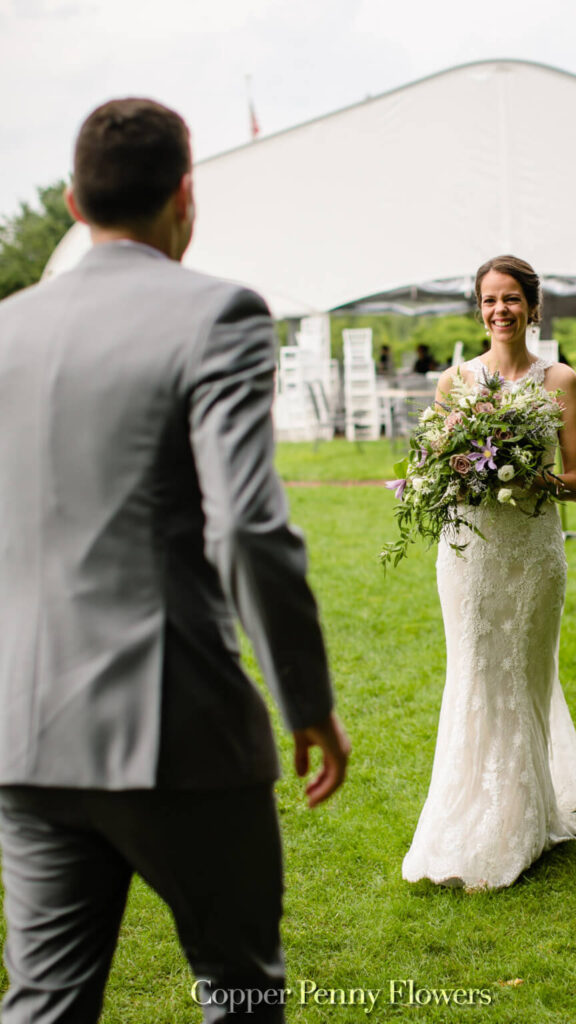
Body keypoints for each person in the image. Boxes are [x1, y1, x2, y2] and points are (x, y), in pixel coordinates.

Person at [0, 97, 349, 1023]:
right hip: (174, 722)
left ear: (73, 202)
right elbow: (246, 528)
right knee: (240, 991)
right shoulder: (219, 314)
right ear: (185, 196)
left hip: (24, 730)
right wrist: (306, 700)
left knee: (44, 1005)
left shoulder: (7, 329)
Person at [402, 254, 576, 891]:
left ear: (533, 307)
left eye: (512, 299)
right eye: (490, 300)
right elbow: (433, 467)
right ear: (479, 309)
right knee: (474, 671)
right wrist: (467, 473)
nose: (501, 310)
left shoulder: (560, 380)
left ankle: (525, 814)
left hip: (534, 555)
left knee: (524, 672)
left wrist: (521, 473)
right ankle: (467, 813)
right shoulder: (455, 382)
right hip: (471, 554)